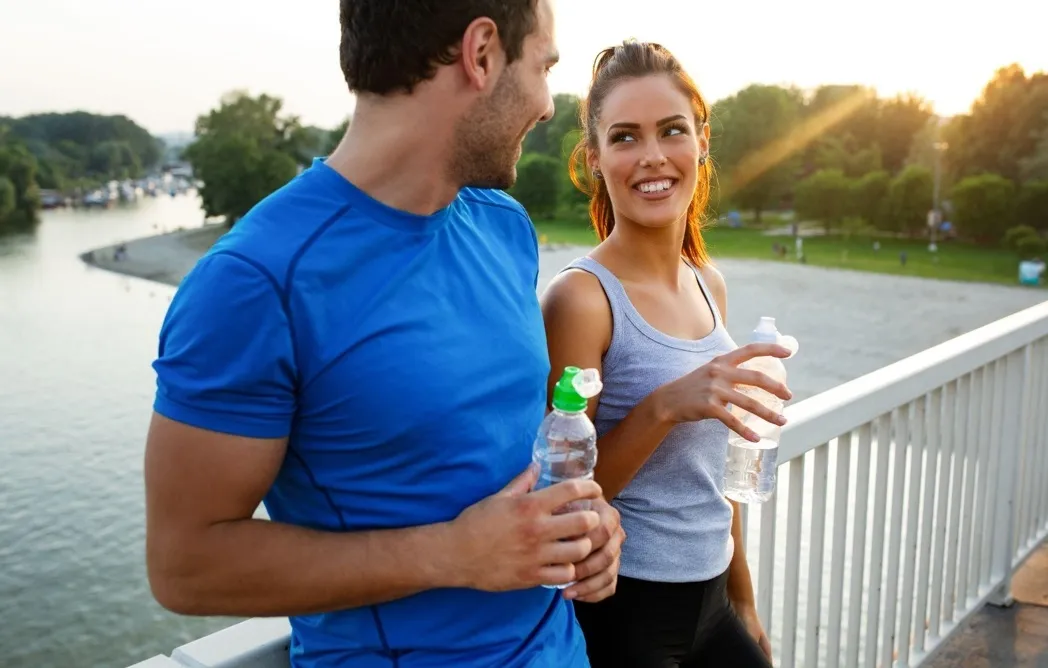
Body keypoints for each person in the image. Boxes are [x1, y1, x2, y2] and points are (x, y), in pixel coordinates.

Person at [142, 2, 624, 667]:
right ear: (481, 53)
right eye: (543, 67)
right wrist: (450, 555)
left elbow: (497, 456)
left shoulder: (503, 226)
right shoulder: (255, 281)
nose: (546, 105)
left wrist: (584, 527)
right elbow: (184, 567)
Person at [540, 41, 793, 668]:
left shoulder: (709, 282)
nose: (652, 156)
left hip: (714, 605)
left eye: (671, 130)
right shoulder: (582, 299)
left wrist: (745, 601)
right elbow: (566, 498)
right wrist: (663, 408)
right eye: (625, 137)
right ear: (595, 159)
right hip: (627, 614)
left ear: (701, 140)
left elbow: (721, 475)